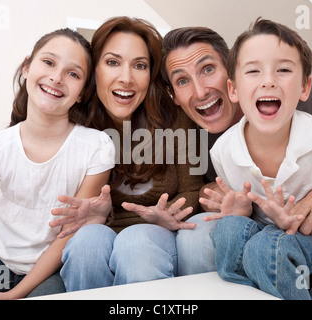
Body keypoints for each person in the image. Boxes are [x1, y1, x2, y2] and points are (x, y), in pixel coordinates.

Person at [162, 25, 312, 299]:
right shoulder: (202, 137)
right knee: (198, 236)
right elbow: (201, 192)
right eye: (182, 81)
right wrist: (213, 195)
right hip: (261, 234)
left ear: (229, 71)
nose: (201, 91)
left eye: (207, 69)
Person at [0, 28, 115, 300]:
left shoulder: (97, 146)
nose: (56, 77)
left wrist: (15, 294)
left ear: (81, 94)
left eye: (73, 74)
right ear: (27, 67)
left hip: (53, 268)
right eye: (49, 62)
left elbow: (69, 233)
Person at [208, 18, 312, 300]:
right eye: (253, 71)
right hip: (263, 234)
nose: (268, 81)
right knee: (228, 230)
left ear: (304, 87)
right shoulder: (224, 150)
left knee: (268, 247)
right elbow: (244, 224)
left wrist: (296, 220)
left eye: (284, 70)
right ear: (233, 90)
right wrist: (240, 211)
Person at [55, 17, 203, 291]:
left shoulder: (177, 119)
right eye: (113, 62)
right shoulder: (74, 121)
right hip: (97, 231)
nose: (126, 78)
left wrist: (166, 214)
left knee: (135, 245)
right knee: (86, 245)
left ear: (151, 74)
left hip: (155, 234)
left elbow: (195, 190)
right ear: (93, 69)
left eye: (140, 66)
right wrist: (102, 216)